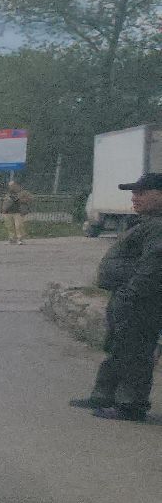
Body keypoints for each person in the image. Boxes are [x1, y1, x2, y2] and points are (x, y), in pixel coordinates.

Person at [70, 173, 162, 421]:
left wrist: (131, 295)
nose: (135, 198)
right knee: (119, 348)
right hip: (126, 298)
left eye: (141, 193)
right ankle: (105, 395)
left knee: (135, 351)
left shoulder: (158, 227)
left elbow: (153, 266)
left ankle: (131, 404)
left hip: (141, 302)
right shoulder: (147, 223)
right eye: (134, 193)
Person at [1, 179, 33, 245]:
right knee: (10, 226)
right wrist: (3, 209)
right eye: (10, 186)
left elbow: (30, 199)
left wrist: (20, 200)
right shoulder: (8, 193)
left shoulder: (23, 192)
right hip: (8, 211)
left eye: (12, 185)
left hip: (18, 211)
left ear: (16, 185)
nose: (11, 187)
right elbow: (5, 201)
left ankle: (20, 239)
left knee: (18, 226)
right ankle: (12, 238)